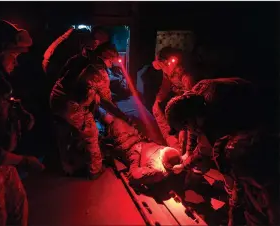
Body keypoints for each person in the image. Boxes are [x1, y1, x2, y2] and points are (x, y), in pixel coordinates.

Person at [165, 77, 279, 226]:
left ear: (189, 120)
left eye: (186, 127)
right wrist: (186, 161)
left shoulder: (219, 117)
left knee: (253, 194)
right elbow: (198, 138)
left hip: (265, 128)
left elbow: (227, 161)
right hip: (247, 142)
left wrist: (232, 193)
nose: (189, 131)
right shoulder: (194, 101)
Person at [0, 17, 45, 226]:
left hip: (4, 162)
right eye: (13, 55)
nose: (16, 61)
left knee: (18, 209)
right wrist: (23, 161)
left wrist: (15, 112)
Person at [50, 42, 129, 179]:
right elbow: (106, 102)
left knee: (62, 132)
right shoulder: (99, 72)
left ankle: (66, 165)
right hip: (72, 105)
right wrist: (122, 116)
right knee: (91, 133)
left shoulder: (79, 58)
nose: (112, 63)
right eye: (111, 60)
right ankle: (95, 170)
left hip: (56, 97)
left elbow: (63, 74)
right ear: (105, 56)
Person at [100, 110, 184, 185]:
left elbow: (134, 174)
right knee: (118, 122)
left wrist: (134, 156)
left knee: (115, 122)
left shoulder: (157, 170)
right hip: (137, 140)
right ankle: (107, 117)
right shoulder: (169, 154)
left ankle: (104, 117)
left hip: (131, 146)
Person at [152, 46, 199, 153]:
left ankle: (188, 148)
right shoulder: (168, 70)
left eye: (163, 64)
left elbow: (191, 103)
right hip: (180, 96)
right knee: (156, 108)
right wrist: (158, 100)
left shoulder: (186, 76)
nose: (162, 68)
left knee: (186, 123)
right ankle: (172, 141)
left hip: (190, 99)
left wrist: (184, 129)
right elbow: (165, 86)